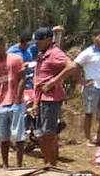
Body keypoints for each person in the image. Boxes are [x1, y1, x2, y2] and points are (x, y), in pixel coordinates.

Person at [32, 26, 78, 166]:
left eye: (38, 41)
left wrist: (53, 81)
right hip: (41, 99)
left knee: (49, 134)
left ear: (47, 40)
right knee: (40, 134)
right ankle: (47, 163)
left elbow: (71, 66)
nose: (36, 44)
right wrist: (35, 102)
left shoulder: (55, 53)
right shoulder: (42, 54)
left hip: (50, 99)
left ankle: (51, 164)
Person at [0, 36, 26, 167]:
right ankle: (5, 165)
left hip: (16, 104)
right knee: (3, 138)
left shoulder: (15, 60)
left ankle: (19, 165)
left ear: (4, 45)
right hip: (1, 105)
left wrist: (16, 100)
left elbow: (22, 79)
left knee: (18, 136)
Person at [73, 29, 100, 146]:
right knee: (89, 113)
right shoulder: (87, 53)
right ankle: (87, 138)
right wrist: (82, 81)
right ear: (94, 38)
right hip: (92, 86)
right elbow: (75, 66)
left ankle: (99, 136)